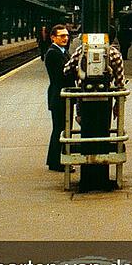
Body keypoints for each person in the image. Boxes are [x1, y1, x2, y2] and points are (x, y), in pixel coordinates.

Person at [44, 24, 74, 172]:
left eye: (67, 35)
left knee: (62, 128)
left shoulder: (63, 52)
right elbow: (62, 75)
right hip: (59, 96)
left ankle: (55, 160)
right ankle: (56, 163)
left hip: (63, 96)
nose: (65, 38)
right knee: (59, 129)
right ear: (53, 37)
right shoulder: (53, 53)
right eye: (62, 36)